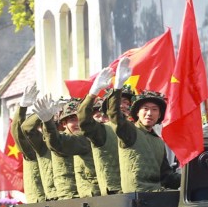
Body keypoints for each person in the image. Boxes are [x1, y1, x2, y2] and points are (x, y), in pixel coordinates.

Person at [104, 57, 180, 193]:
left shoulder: (158, 141)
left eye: (154, 109)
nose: (149, 113)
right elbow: (114, 114)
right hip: (136, 197)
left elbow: (166, 177)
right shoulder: (130, 132)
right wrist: (118, 87)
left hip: (157, 194)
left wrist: (190, 176)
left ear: (159, 115)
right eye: (145, 109)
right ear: (137, 113)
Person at [36, 96, 100, 197]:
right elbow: (56, 142)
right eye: (73, 120)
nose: (78, 124)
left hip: (94, 193)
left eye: (81, 119)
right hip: (73, 196)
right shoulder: (71, 139)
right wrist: (48, 121)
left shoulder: (92, 135)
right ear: (64, 123)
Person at [78, 70, 124, 195]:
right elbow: (84, 120)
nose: (102, 119)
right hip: (113, 193)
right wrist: (92, 94)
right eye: (98, 116)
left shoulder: (142, 132)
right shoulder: (102, 132)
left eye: (126, 104)